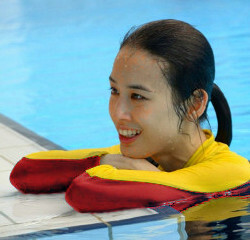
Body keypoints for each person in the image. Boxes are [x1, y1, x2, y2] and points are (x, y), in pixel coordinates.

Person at [10, 19, 249, 213]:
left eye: (137, 96)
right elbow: (26, 171)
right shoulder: (149, 153)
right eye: (115, 91)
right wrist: (107, 161)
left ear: (194, 104)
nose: (118, 112)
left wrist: (126, 167)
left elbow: (87, 191)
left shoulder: (233, 171)